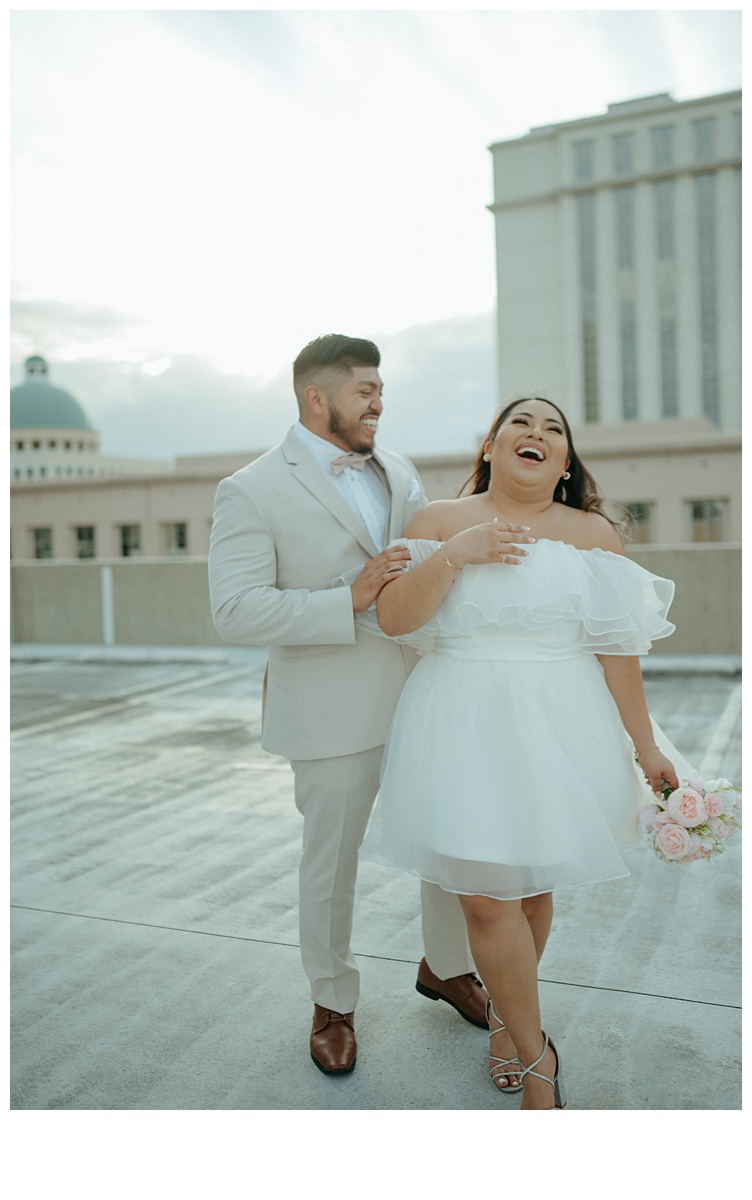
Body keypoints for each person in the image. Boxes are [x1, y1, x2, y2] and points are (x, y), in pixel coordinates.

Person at [354, 395, 682, 1109]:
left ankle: (509, 1021)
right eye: (520, 424)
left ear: (564, 462)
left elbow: (617, 652)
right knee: (482, 898)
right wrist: (454, 557)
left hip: (561, 718)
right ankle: (540, 1061)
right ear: (491, 447)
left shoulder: (592, 534)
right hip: (459, 719)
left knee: (532, 887)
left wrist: (646, 745)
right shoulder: (441, 521)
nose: (536, 433)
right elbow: (395, 617)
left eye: (553, 429)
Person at [208, 334, 487, 1077]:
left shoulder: (397, 469)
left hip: (424, 691)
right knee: (331, 864)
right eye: (365, 389)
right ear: (316, 397)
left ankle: (449, 965)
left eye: (381, 387)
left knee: (446, 840)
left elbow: (431, 562)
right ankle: (332, 1000)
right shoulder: (250, 488)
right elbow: (235, 612)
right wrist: (349, 597)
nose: (379, 402)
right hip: (329, 710)